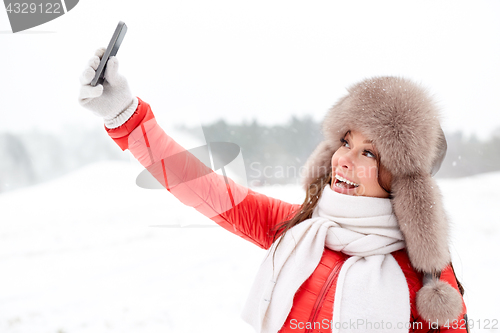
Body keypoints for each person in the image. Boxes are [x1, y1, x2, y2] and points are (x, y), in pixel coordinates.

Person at [79, 48, 469, 333]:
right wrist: (126, 117)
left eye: (368, 152)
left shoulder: (429, 279)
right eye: (344, 143)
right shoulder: (300, 229)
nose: (344, 160)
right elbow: (199, 184)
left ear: (400, 177)